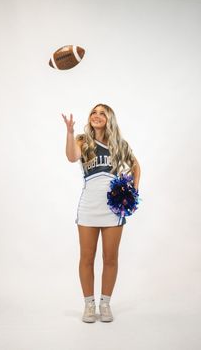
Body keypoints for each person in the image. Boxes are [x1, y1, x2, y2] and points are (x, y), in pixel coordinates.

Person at [61, 103, 141, 323]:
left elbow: (136, 167)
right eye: (93, 113)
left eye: (102, 113)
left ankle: (105, 304)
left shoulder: (120, 145)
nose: (96, 116)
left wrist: (132, 191)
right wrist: (69, 133)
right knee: (86, 258)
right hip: (88, 207)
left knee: (110, 258)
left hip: (113, 209)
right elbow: (71, 156)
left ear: (109, 119)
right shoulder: (82, 140)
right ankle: (89, 305)